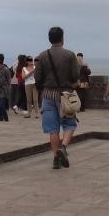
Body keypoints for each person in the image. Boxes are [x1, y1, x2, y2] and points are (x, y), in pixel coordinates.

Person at [35, 26, 81, 169]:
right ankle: (64, 147)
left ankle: (56, 158)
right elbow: (75, 75)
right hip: (65, 95)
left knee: (52, 129)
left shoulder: (42, 56)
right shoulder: (70, 55)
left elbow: (37, 78)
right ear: (62, 38)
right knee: (70, 124)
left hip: (48, 95)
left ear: (49, 39)